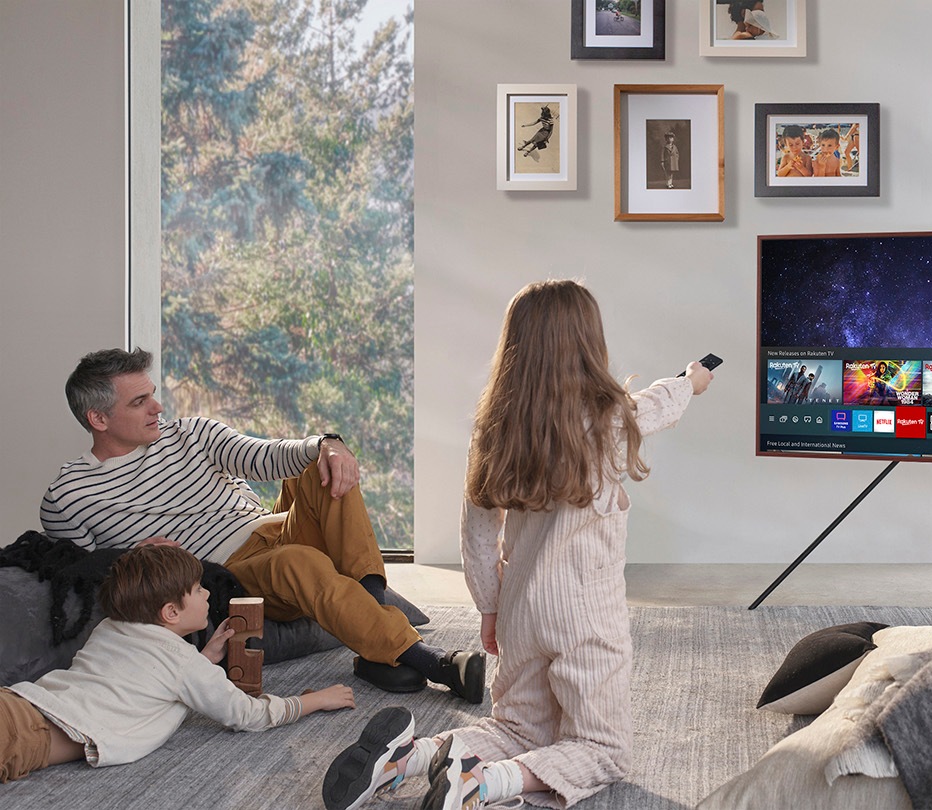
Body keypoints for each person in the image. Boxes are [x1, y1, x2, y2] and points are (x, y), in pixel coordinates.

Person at [321, 280, 712, 810]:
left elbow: (478, 534)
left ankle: (407, 758)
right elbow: (659, 402)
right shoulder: (611, 421)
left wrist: (490, 610)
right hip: (587, 621)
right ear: (588, 345)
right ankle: (481, 785)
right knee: (604, 749)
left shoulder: (495, 432)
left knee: (516, 729)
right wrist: (691, 380)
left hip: (521, 612)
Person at [40, 348, 487, 701]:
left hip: (271, 526)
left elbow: (268, 456)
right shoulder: (70, 495)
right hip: (230, 572)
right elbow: (76, 574)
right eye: (139, 402)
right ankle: (433, 662)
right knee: (299, 562)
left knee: (321, 467)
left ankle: (377, 644)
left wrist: (328, 444)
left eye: (153, 394)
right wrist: (127, 557)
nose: (158, 407)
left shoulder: (191, 433)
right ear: (98, 419)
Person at [0, 544, 354, 783]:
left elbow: (145, 676)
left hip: (20, 703)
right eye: (199, 589)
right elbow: (247, 715)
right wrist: (315, 700)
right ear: (171, 612)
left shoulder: (110, 627)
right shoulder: (181, 664)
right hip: (26, 732)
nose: (208, 594)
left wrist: (203, 659)